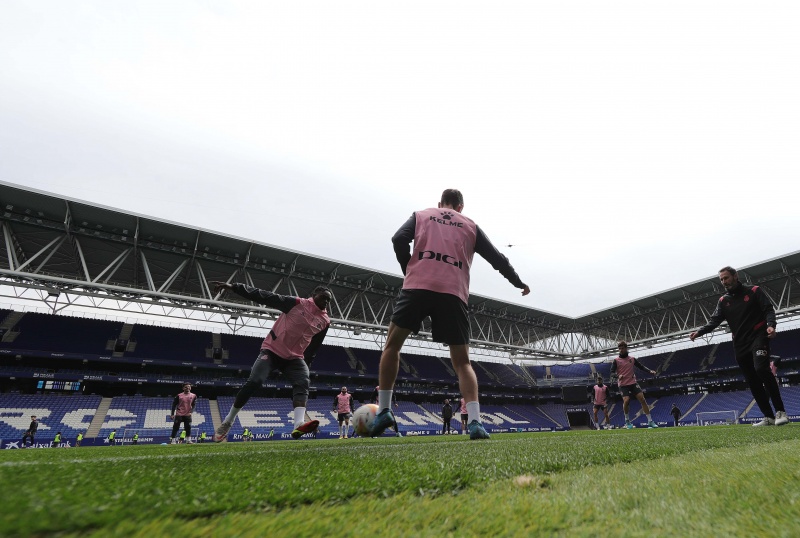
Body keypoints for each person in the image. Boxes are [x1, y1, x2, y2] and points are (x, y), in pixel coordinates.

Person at [369, 189, 530, 440]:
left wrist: (408, 268)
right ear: (461, 206)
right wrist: (518, 283)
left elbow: (398, 238)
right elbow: (498, 259)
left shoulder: (422, 215)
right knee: (462, 362)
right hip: (453, 293)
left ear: (440, 203)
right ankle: (475, 423)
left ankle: (385, 410)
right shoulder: (470, 225)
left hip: (416, 287)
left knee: (392, 346)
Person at [210, 281, 332, 441]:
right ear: (314, 295)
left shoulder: (325, 321)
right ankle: (228, 420)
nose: (326, 302)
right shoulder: (296, 303)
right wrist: (234, 287)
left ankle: (298, 425)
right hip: (272, 350)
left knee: (303, 381)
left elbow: (314, 346)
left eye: (328, 300)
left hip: (295, 358)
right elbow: (265, 296)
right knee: (255, 381)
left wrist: (306, 366)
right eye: (324, 298)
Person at [689, 266, 788, 427]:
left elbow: (768, 309)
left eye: (726, 278)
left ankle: (781, 412)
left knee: (761, 369)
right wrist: (699, 332)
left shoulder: (754, 291)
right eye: (721, 279)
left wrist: (771, 325)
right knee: (752, 380)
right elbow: (714, 321)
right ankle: (768, 417)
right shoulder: (723, 301)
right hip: (740, 343)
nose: (724, 282)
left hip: (758, 335)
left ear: (736, 276)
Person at [610, 341, 659, 429]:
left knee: (642, 399)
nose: (621, 350)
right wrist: (618, 376)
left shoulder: (631, 359)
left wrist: (650, 371)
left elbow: (641, 366)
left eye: (622, 348)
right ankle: (627, 421)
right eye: (619, 348)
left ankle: (650, 421)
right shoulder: (616, 360)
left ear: (626, 348)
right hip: (623, 384)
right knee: (626, 400)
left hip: (633, 382)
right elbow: (612, 372)